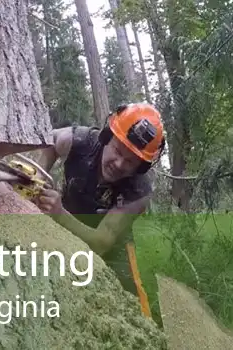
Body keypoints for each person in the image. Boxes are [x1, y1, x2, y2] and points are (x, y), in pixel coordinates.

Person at [33, 103, 166, 318]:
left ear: (140, 167)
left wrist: (58, 214)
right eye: (117, 150)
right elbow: (51, 141)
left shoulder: (138, 192)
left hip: (113, 248)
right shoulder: (81, 140)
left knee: (134, 306)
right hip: (68, 223)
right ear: (106, 137)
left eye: (130, 162)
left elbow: (102, 243)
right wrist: (38, 177)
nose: (119, 164)